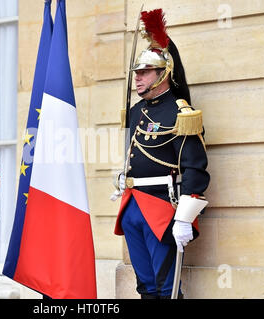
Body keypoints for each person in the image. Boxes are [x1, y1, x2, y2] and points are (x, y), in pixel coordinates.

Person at [111, 9, 210, 299]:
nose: (138, 79)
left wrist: (184, 217)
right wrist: (122, 178)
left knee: (166, 287)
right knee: (146, 288)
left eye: (144, 73)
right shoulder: (135, 111)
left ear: (163, 73)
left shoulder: (181, 112)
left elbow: (195, 168)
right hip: (132, 207)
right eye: (137, 73)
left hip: (162, 209)